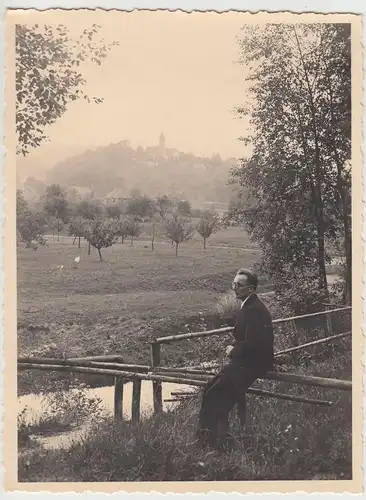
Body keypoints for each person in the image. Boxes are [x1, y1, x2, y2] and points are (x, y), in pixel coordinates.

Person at [196, 268, 274, 449]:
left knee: (215, 396)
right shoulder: (248, 306)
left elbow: (254, 344)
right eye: (233, 284)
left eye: (239, 285)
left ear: (251, 289)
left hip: (252, 365)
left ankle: (210, 442)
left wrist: (232, 350)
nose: (234, 288)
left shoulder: (253, 310)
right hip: (244, 363)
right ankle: (216, 439)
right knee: (210, 389)